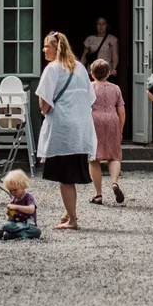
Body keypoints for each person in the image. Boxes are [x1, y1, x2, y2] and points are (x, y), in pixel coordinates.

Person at [35, 31, 96, 230]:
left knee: (65, 178)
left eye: (46, 46)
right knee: (70, 174)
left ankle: (73, 220)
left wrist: (44, 111)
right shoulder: (79, 67)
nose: (44, 50)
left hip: (62, 127)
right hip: (81, 127)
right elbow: (90, 97)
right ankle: (69, 212)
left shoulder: (52, 69)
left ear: (55, 48)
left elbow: (44, 101)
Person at [88, 59, 127, 205]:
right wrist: (120, 129)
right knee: (114, 155)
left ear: (92, 74)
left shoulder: (89, 88)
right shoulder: (115, 88)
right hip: (111, 119)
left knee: (94, 158)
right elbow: (121, 111)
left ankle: (98, 194)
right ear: (109, 73)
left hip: (94, 119)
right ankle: (114, 182)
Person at [0, 169, 40, 239]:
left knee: (37, 231)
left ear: (23, 186)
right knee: (7, 225)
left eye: (15, 190)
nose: (13, 193)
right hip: (16, 225)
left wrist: (16, 207)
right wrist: (10, 214)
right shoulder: (13, 202)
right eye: (10, 191)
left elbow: (31, 210)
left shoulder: (28, 197)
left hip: (28, 225)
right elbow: (10, 220)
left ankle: (14, 235)